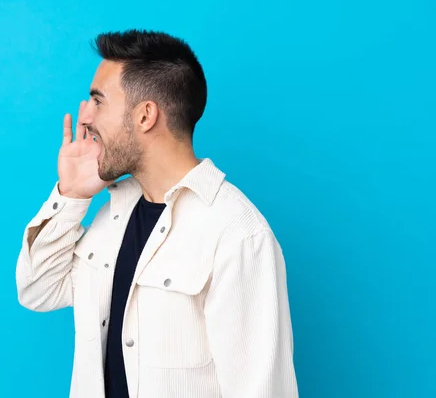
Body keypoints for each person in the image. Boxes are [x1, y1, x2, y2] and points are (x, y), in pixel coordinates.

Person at [15, 29, 298, 398]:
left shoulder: (237, 234)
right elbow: (38, 291)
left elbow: (261, 390)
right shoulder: (111, 216)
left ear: (146, 115)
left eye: (98, 101)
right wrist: (70, 195)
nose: (85, 117)